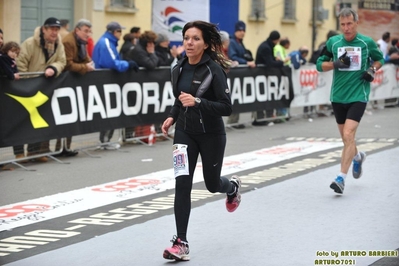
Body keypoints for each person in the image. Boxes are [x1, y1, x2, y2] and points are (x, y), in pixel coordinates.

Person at [161, 20, 242, 261]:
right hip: (184, 133)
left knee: (211, 183)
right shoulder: (178, 68)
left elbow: (226, 108)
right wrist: (171, 116)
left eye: (195, 38)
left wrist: (198, 103)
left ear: (206, 44)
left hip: (211, 135)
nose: (189, 42)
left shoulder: (214, 71)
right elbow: (179, 99)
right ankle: (181, 242)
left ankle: (232, 188)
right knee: (182, 184)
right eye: (186, 38)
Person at [316, 8, 384, 194]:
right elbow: (319, 65)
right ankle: (358, 157)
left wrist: (372, 70)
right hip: (338, 97)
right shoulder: (333, 42)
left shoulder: (366, 42)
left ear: (356, 23)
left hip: (358, 95)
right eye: (343, 25)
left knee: (348, 134)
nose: (346, 28)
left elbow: (380, 59)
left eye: (349, 24)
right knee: (347, 139)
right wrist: (336, 64)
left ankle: (340, 178)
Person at [17, 17, 66, 162]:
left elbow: (62, 61)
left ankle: (34, 152)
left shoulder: (58, 44)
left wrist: (53, 68)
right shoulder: (30, 43)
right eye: (51, 29)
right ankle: (19, 153)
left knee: (40, 120)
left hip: (44, 89)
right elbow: (21, 64)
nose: (54, 32)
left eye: (57, 29)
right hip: (26, 88)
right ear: (44, 29)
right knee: (20, 122)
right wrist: (27, 84)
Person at [92, 21, 139, 146]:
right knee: (110, 111)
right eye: (119, 31)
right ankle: (105, 141)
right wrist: (128, 64)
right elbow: (113, 63)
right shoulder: (106, 42)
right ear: (114, 32)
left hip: (106, 80)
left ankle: (105, 140)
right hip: (105, 81)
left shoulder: (108, 42)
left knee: (110, 110)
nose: (121, 34)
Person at [54, 19, 95, 157]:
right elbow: (68, 64)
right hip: (64, 83)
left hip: (73, 83)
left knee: (71, 116)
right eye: (85, 31)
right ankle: (52, 149)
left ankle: (66, 147)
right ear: (77, 30)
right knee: (63, 115)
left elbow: (85, 59)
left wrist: (89, 63)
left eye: (89, 31)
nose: (88, 34)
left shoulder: (82, 42)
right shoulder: (68, 41)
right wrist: (85, 67)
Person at [227, 21, 256, 129]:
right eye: (240, 30)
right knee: (235, 97)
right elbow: (233, 56)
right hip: (235, 74)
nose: (242, 32)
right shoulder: (233, 42)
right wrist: (246, 62)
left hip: (241, 75)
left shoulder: (240, 42)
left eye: (243, 30)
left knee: (239, 98)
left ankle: (235, 121)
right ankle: (232, 121)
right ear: (236, 31)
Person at [254, 30, 284, 126]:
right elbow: (269, 63)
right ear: (276, 40)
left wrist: (275, 59)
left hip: (263, 75)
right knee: (262, 97)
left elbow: (269, 59)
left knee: (264, 97)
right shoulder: (267, 47)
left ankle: (264, 117)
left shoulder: (267, 45)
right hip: (262, 75)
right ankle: (261, 118)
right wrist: (281, 62)